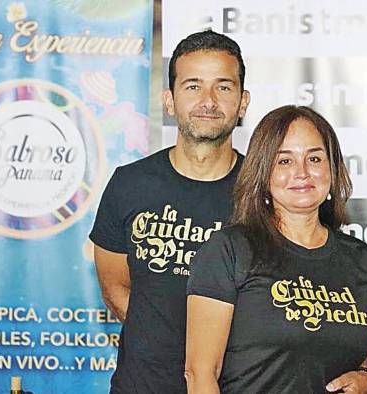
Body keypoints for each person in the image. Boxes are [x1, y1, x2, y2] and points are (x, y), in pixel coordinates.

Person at [185, 105, 367, 393]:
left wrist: (366, 378)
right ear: (263, 171)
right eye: (284, 161)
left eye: (314, 158)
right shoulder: (230, 250)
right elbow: (200, 374)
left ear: (332, 169)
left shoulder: (360, 258)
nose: (302, 172)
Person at [89, 31, 250, 393]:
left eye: (224, 87)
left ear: (243, 102)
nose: (208, 101)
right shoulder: (128, 184)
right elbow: (115, 287)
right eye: (193, 86)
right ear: (169, 100)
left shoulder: (263, 194)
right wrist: (163, 338)